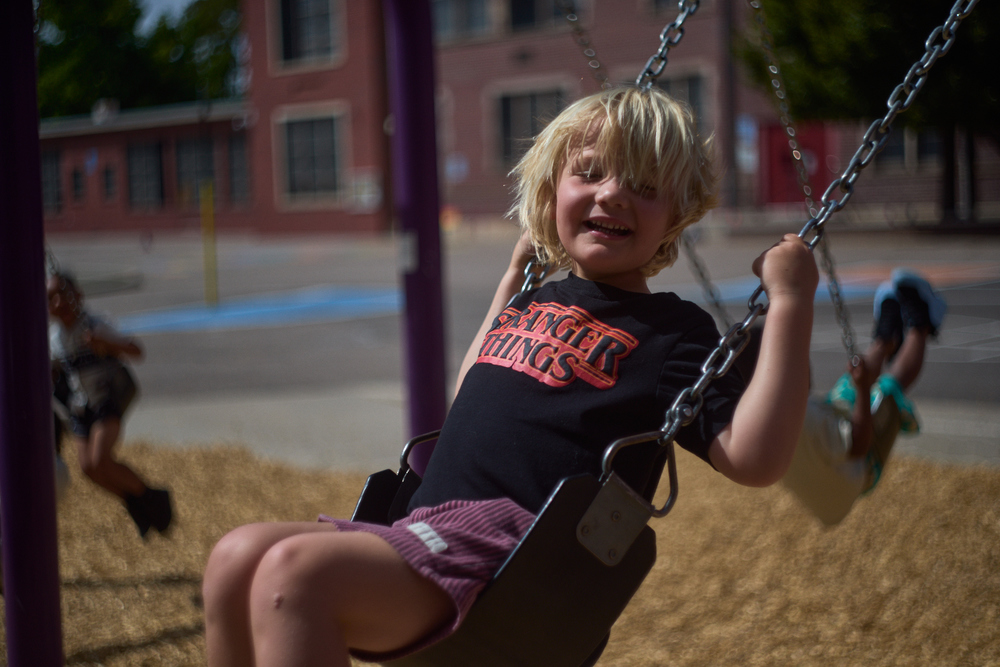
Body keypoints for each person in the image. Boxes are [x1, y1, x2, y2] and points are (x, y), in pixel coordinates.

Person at [202, 86, 819, 667]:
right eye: (589, 173)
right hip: (426, 527)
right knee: (233, 559)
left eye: (645, 185)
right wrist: (513, 275)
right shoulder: (532, 299)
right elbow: (474, 384)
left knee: (294, 573)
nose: (612, 195)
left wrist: (790, 300)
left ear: (677, 215)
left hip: (510, 563)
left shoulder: (672, 331)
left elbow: (754, 458)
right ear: (551, 191)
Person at [741, 268, 946, 525]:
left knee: (851, 383)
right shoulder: (805, 418)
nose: (807, 364)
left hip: (826, 465)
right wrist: (864, 389)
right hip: (860, 471)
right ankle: (923, 322)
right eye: (798, 360)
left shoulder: (752, 417)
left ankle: (885, 340)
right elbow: (858, 445)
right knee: (888, 387)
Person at [47, 270, 172, 537]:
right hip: (81, 408)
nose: (59, 303)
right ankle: (135, 502)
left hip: (106, 401)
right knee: (88, 469)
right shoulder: (54, 340)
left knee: (100, 458)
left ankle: (152, 497)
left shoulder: (95, 325)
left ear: (78, 296)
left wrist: (107, 344)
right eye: (50, 299)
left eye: (64, 295)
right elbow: (54, 370)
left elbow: (136, 350)